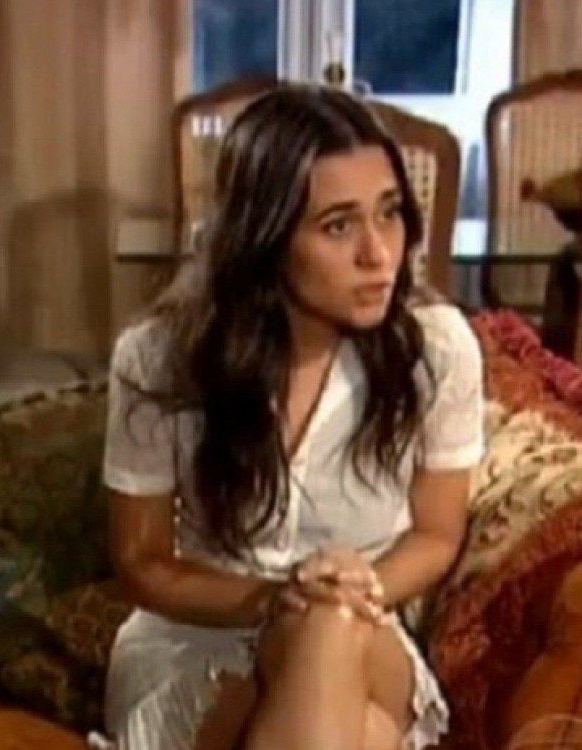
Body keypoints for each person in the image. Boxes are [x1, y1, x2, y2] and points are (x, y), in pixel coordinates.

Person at [102, 84, 484, 750]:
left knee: (330, 629)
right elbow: (141, 561)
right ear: (266, 235)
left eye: (389, 213)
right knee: (353, 722)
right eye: (339, 225)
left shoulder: (437, 347)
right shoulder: (159, 357)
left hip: (367, 626)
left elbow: (437, 532)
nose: (378, 253)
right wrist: (274, 598)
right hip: (200, 641)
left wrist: (355, 588)